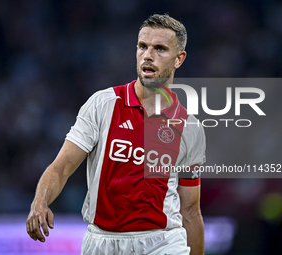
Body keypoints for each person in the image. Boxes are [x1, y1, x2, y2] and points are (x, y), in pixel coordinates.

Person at [26, 14, 206, 255]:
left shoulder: (189, 127)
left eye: (160, 49)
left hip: (162, 243)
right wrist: (40, 202)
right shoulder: (103, 104)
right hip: (102, 242)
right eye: (143, 46)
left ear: (179, 59)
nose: (148, 56)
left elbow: (191, 211)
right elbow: (62, 167)